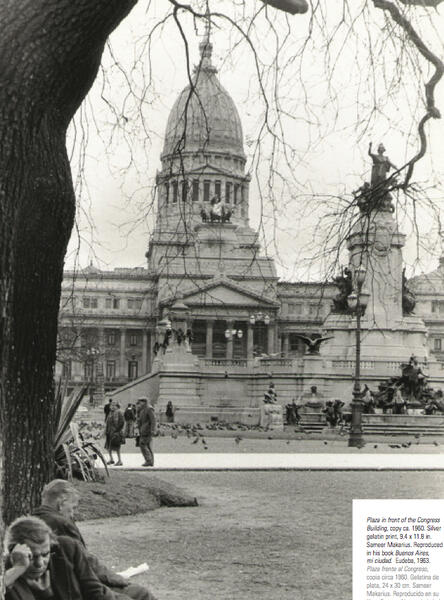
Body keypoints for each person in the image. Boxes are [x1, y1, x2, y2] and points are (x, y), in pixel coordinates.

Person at [33, 480, 156, 600]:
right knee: (140, 593)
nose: (73, 514)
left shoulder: (33, 520)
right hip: (74, 587)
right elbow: (86, 562)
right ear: (61, 503)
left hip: (54, 586)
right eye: (73, 508)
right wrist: (115, 578)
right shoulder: (60, 523)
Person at [5, 515, 115, 600]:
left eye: (45, 554)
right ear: (15, 552)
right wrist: (18, 568)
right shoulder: (7, 573)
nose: (40, 564)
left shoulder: (66, 548)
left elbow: (95, 591)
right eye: (31, 557)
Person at [136, 397, 156, 467]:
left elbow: (153, 420)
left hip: (147, 430)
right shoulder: (142, 409)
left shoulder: (149, 409)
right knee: (147, 445)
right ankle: (150, 461)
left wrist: (152, 430)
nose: (139, 404)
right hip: (143, 430)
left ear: (144, 402)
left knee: (143, 444)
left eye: (141, 402)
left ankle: (148, 460)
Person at [105, 401, 125, 466]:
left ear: (117, 406)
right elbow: (107, 423)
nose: (112, 407)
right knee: (109, 447)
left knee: (117, 447)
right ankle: (111, 459)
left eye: (114, 405)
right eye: (111, 405)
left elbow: (122, 422)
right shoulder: (110, 413)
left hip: (116, 432)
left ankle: (120, 460)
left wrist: (117, 431)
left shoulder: (119, 412)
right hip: (109, 432)